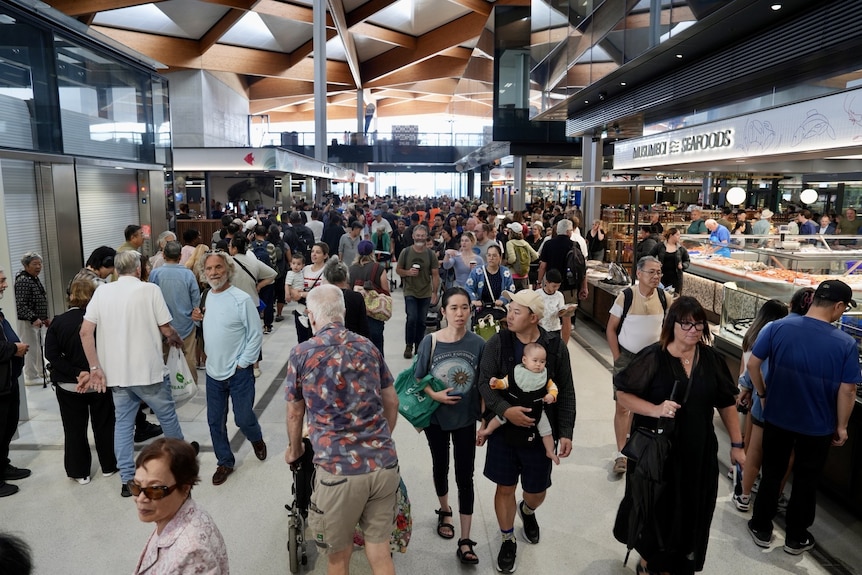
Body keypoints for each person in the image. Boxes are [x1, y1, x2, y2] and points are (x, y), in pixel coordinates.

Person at [614, 296, 743, 574]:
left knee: (693, 508)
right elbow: (623, 395)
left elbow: (726, 402)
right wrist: (655, 408)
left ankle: (679, 562)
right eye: (686, 323)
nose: (693, 330)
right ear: (671, 324)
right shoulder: (653, 356)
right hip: (658, 454)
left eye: (698, 324)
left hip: (698, 452)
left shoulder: (710, 360)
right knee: (656, 509)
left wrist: (737, 443)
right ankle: (650, 561)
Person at [285, 284, 400, 575]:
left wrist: (295, 449)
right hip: (382, 466)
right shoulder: (368, 346)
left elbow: (295, 410)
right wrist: (381, 439)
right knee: (380, 552)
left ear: (311, 317)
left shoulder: (302, 354)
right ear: (344, 314)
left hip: (337, 472)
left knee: (337, 556)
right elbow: (392, 401)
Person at [746, 280, 860, 555]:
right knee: (807, 480)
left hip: (777, 416)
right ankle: (796, 537)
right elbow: (848, 389)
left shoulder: (777, 327)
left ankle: (761, 526)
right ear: (839, 306)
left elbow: (753, 364)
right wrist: (842, 426)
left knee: (772, 472)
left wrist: (762, 393)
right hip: (818, 426)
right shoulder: (845, 343)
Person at [78, 250, 193, 498]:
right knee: (168, 418)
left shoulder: (102, 291)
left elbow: (85, 332)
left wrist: (95, 368)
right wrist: (176, 340)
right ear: (139, 269)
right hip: (148, 373)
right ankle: (181, 467)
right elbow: (165, 328)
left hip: (117, 375)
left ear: (117, 270)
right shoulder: (149, 290)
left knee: (123, 426)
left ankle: (127, 480)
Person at [477, 290, 575, 573]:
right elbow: (485, 382)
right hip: (505, 433)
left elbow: (566, 390)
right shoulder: (497, 343)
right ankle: (507, 538)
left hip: (540, 432)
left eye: (516, 312)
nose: (509, 315)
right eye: (509, 309)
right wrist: (505, 411)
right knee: (504, 486)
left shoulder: (554, 347)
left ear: (534, 317)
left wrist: (565, 430)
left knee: (536, 491)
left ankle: (528, 510)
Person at [413, 287, 485, 565]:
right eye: (453, 308)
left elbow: (483, 385)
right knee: (440, 465)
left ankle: (465, 539)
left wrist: (485, 421)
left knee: (465, 475)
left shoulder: (478, 344)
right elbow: (418, 378)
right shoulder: (430, 342)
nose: (459, 313)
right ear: (443, 311)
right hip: (436, 418)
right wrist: (435, 394)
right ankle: (444, 509)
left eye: (464, 307)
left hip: (466, 420)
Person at [192, 250, 266, 486]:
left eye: (218, 267)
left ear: (228, 270)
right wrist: (198, 319)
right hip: (214, 372)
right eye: (209, 269)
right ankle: (224, 461)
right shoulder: (205, 297)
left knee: (243, 418)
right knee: (215, 421)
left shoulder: (241, 299)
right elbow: (210, 326)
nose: (214, 273)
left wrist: (243, 362)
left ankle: (256, 438)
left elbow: (255, 335)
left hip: (239, 372)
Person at [44, 278, 117, 485]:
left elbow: (51, 354)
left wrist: (77, 373)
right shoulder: (100, 321)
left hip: (69, 385)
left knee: (74, 428)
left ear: (71, 295)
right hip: (99, 383)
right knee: (104, 424)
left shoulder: (58, 322)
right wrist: (91, 371)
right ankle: (109, 465)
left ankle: (79, 472)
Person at [605, 255, 668, 476]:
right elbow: (611, 328)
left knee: (642, 404)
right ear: (639, 273)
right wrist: (617, 358)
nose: (656, 276)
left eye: (659, 272)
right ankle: (621, 453)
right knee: (622, 406)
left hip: (653, 361)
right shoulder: (627, 296)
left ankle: (635, 444)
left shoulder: (663, 296)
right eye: (651, 272)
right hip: (628, 358)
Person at [132, 438, 229, 574]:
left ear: (184, 489)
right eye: (136, 487)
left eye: (155, 490)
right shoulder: (183, 513)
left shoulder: (193, 554)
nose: (140, 498)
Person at [732, 299, 789, 512]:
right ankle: (753, 485)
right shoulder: (773, 339)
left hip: (748, 390)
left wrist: (742, 387)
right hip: (760, 394)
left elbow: (744, 366)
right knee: (759, 449)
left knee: (746, 441)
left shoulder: (750, 336)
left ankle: (741, 479)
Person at [478, 343, 559, 465]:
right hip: (512, 407)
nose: (538, 364)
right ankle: (488, 430)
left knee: (546, 431)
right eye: (535, 360)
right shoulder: (517, 372)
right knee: (499, 417)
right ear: (524, 360)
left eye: (542, 362)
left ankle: (549, 451)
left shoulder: (544, 376)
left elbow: (553, 388)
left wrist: (551, 395)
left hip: (536, 409)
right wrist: (496, 383)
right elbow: (505, 383)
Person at [149, 241, 200, 382]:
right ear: (180, 256)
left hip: (163, 325)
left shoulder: (155, 274)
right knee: (189, 356)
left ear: (164, 255)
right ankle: (190, 384)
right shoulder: (188, 275)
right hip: (186, 323)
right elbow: (196, 300)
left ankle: (168, 384)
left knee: (165, 356)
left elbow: (151, 300)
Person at [0, 267, 30, 498]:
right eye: (1, 281)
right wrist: (14, 348)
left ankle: (3, 465)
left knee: (8, 427)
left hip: (8, 381)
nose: (5, 285)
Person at [537, 219, 586, 342]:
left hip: (550, 287)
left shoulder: (549, 244)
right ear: (569, 231)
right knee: (567, 319)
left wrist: (538, 283)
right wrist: (584, 287)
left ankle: (544, 340)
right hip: (570, 288)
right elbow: (582, 269)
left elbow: (543, 266)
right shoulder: (575, 245)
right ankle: (563, 346)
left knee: (546, 315)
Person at [395, 225, 440, 359]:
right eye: (418, 235)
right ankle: (409, 345)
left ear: (426, 237)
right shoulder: (406, 252)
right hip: (410, 290)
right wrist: (408, 272)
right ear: (413, 236)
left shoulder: (430, 254)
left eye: (422, 235)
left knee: (421, 321)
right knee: (412, 317)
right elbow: (398, 270)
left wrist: (434, 292)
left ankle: (419, 346)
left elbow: (435, 274)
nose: (420, 238)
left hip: (425, 291)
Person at [14, 252, 50, 386]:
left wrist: (44, 318)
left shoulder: (33, 278)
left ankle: (41, 371)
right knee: (31, 348)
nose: (38, 267)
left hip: (37, 321)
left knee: (38, 347)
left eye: (40, 264)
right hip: (27, 321)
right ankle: (31, 376)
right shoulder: (23, 280)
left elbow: (39, 299)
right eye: (35, 264)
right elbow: (20, 304)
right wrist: (34, 317)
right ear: (26, 265)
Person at [349, 240, 389, 354]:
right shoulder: (379, 269)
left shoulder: (351, 269)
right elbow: (385, 291)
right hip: (374, 316)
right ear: (372, 252)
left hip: (356, 316)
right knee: (377, 350)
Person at [323, 257, 369, 338]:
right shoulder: (356, 297)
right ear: (345, 277)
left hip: (327, 341)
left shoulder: (321, 297)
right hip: (352, 342)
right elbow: (364, 328)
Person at [295, 242, 330, 343]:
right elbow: (296, 288)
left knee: (316, 340)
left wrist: (302, 294)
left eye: (318, 252)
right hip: (301, 310)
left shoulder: (327, 271)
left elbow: (323, 293)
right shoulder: (305, 269)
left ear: (325, 255)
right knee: (302, 341)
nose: (314, 254)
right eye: (313, 251)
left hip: (318, 312)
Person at [465, 244, 514, 314]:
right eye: (489, 255)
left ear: (500, 257)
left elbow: (510, 289)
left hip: (499, 309)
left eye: (494, 255)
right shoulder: (477, 271)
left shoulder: (505, 272)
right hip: (481, 309)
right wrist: (473, 300)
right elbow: (468, 287)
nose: (491, 258)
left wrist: (503, 300)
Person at [533, 269, 573, 338]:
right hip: (540, 328)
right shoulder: (537, 294)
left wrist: (565, 311)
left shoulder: (559, 295)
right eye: (554, 286)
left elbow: (561, 310)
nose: (556, 288)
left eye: (558, 286)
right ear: (546, 282)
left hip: (554, 329)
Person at [649, 227, 690, 294]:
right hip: (661, 276)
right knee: (660, 295)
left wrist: (682, 266)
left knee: (674, 297)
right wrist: (655, 264)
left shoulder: (681, 248)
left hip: (676, 277)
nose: (679, 237)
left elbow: (687, 260)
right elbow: (650, 256)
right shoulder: (660, 246)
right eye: (677, 235)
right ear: (671, 235)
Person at [504, 223, 538, 290]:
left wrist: (506, 262)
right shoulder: (525, 243)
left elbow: (512, 259)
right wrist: (526, 260)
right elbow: (535, 256)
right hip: (524, 276)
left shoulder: (510, 243)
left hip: (513, 275)